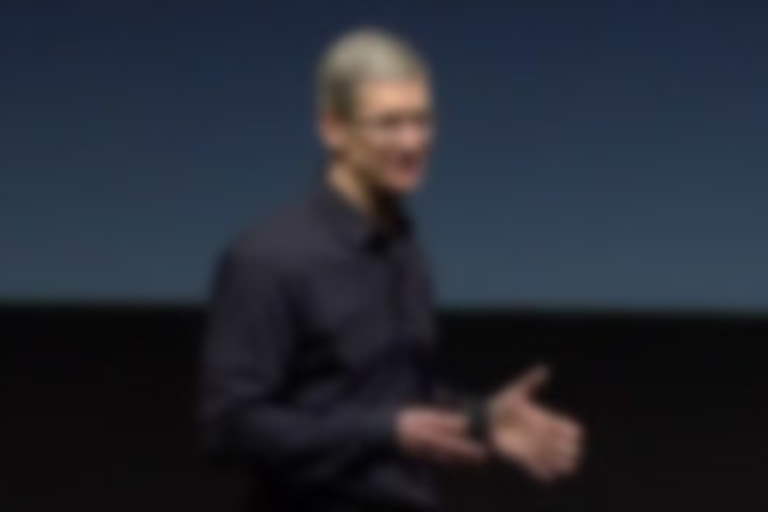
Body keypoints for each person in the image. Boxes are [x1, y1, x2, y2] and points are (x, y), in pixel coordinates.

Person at [199, 27, 584, 512]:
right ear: (333, 129)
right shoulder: (269, 259)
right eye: (389, 123)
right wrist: (382, 432)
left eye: (423, 120)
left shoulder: (403, 249)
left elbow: (393, 400)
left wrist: (482, 420)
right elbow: (231, 427)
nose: (412, 141)